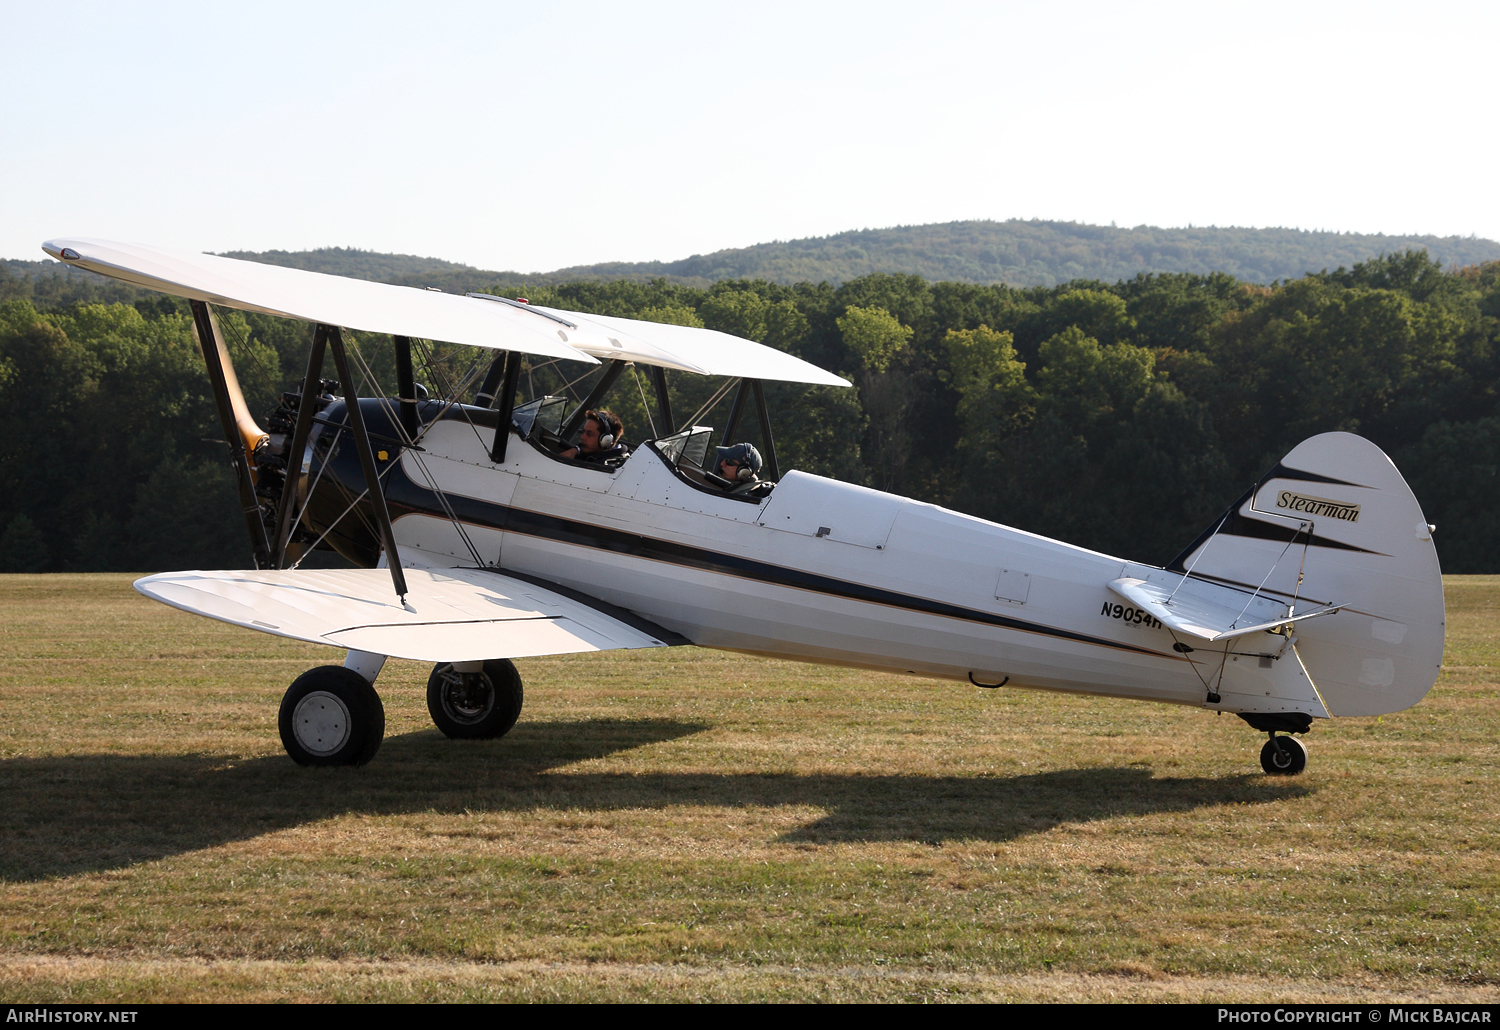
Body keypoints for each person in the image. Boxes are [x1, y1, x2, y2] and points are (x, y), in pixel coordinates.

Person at [561, 409, 629, 465]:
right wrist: (575, 450)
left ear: (605, 440)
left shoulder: (611, 466)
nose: (582, 437)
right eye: (584, 432)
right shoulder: (597, 454)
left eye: (589, 434)